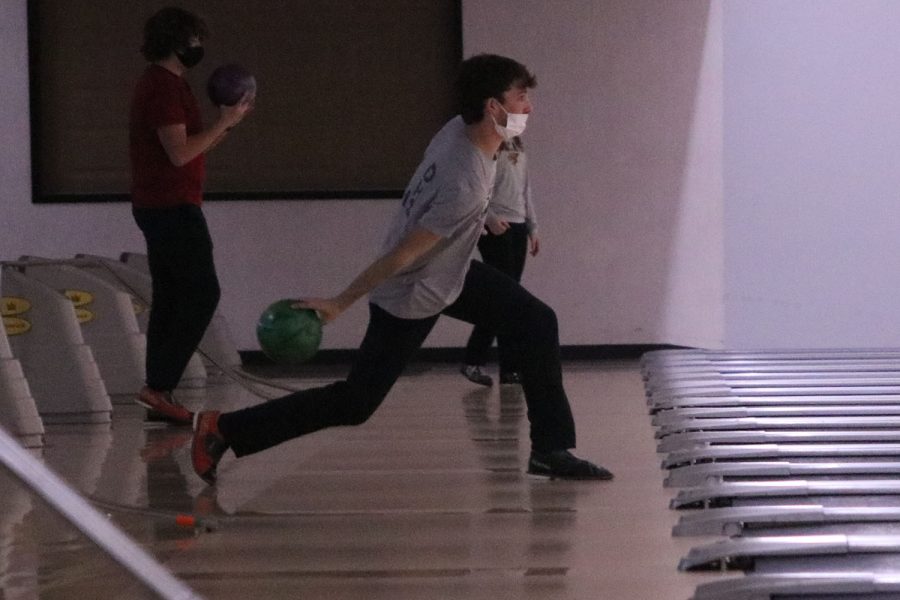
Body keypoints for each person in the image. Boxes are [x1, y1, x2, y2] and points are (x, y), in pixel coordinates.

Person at [191, 54, 613, 483]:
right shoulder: (464, 179)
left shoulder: (457, 131)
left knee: (537, 322)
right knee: (356, 403)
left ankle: (550, 449)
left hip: (453, 271)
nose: (529, 108)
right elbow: (404, 255)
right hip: (415, 289)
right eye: (521, 97)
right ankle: (223, 428)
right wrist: (341, 302)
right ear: (492, 107)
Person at [129, 6, 253, 424]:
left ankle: (158, 391)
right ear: (178, 42)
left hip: (164, 204)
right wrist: (225, 122)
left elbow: (193, 146)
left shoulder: (170, 85)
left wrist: (226, 124)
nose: (200, 47)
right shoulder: (162, 88)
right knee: (202, 294)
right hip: (171, 207)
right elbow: (180, 153)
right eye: (196, 40)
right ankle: (157, 386)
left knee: (170, 298)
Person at [460, 134, 539, 387]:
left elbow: (525, 189)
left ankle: (510, 369)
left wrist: (532, 227)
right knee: (501, 297)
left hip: (517, 225)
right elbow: (476, 189)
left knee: (511, 299)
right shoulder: (487, 145)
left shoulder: (519, 146)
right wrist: (490, 218)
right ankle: (473, 359)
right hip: (495, 226)